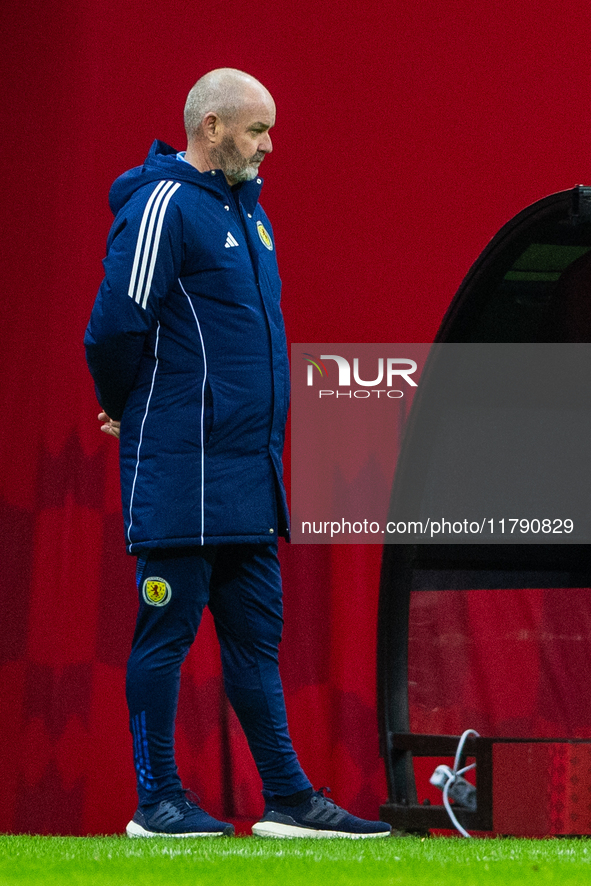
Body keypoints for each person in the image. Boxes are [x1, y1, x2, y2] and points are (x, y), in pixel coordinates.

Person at [85, 68, 391, 840]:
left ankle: (287, 799)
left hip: (249, 475)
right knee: (167, 635)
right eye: (256, 130)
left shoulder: (251, 218)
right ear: (212, 126)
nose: (268, 145)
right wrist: (130, 407)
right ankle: (156, 802)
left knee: (257, 643)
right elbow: (115, 326)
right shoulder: (160, 203)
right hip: (180, 467)